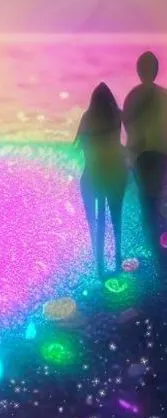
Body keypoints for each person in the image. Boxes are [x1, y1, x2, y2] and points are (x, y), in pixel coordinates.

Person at [75, 82, 128, 278]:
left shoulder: (87, 117)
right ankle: (118, 260)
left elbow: (81, 148)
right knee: (116, 219)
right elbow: (121, 145)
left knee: (96, 223)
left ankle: (99, 266)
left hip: (92, 176)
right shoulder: (117, 115)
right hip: (114, 174)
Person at [123, 51, 167, 266]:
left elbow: (129, 128)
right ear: (156, 71)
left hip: (143, 156)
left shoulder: (133, 95)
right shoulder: (163, 95)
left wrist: (130, 155)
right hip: (160, 155)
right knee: (157, 198)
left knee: (147, 201)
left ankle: (154, 247)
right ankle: (159, 244)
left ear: (139, 71)